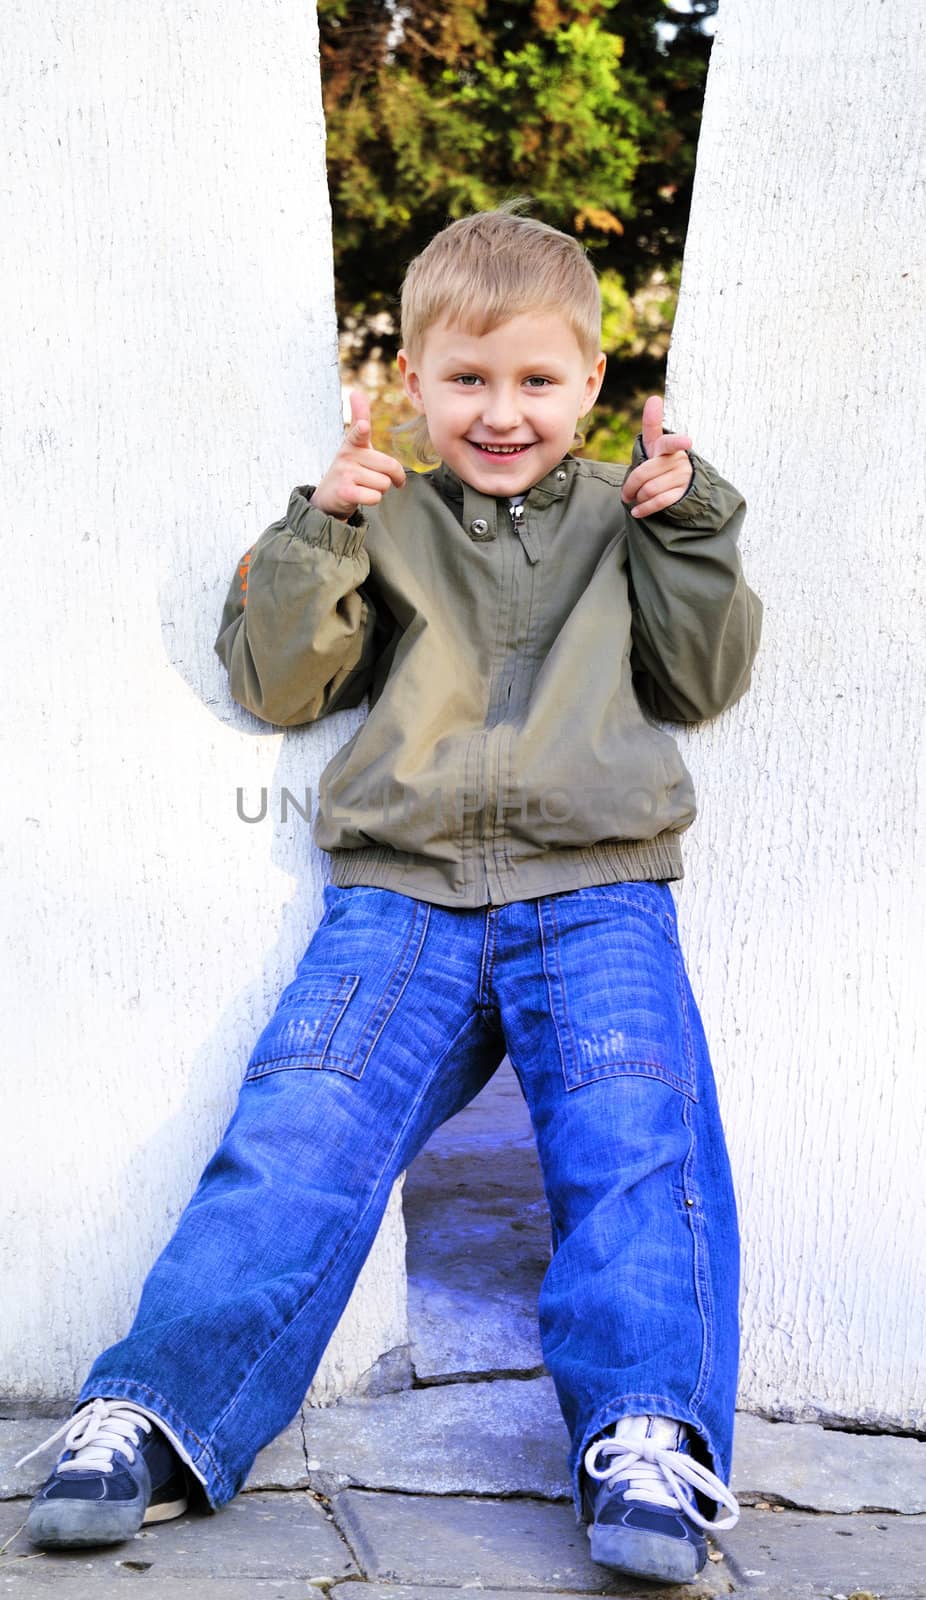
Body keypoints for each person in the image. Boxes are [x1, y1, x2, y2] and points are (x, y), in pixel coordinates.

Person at [20, 209, 760, 1585]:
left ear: (590, 384)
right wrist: (320, 527)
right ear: (410, 382)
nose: (499, 413)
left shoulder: (630, 512)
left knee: (634, 1152)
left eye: (536, 381)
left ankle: (646, 1435)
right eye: (465, 380)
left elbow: (701, 679)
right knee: (296, 1131)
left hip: (595, 892)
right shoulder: (383, 516)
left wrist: (695, 526)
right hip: (399, 898)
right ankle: (158, 1414)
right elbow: (280, 682)